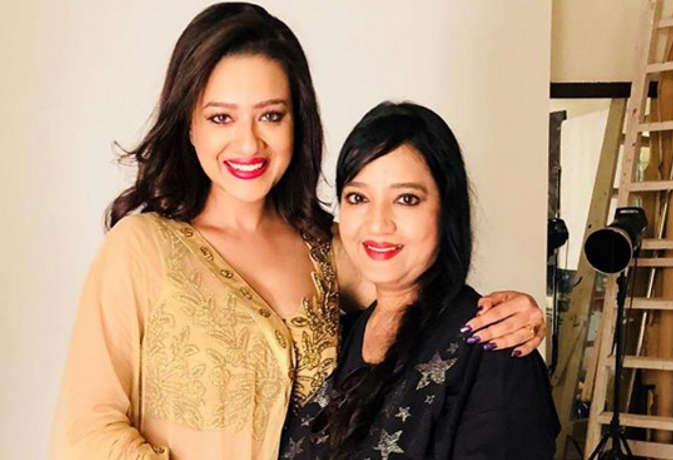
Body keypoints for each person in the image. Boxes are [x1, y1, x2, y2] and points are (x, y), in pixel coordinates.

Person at [50, 4, 547, 459]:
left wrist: (514, 312)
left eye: (270, 115)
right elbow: (85, 434)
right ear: (189, 126)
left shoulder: (328, 250)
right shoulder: (141, 249)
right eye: (221, 117)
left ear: (297, 122)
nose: (248, 143)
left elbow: (421, 294)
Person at [279, 102, 559, 459]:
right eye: (358, 198)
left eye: (406, 199)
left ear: (446, 210)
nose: (378, 223)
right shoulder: (337, 336)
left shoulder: (495, 347)